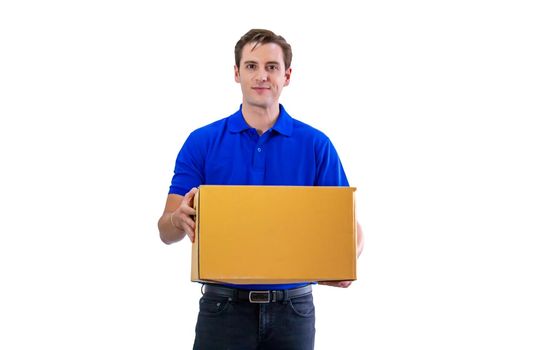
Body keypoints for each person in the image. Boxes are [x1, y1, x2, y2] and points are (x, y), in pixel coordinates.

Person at [158, 28, 364, 350]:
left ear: (287, 75)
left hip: (293, 311)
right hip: (222, 308)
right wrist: (178, 220)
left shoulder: (316, 145)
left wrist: (348, 260)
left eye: (272, 67)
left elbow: (349, 227)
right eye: (252, 66)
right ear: (237, 73)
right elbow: (165, 230)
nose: (262, 76)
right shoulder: (202, 142)